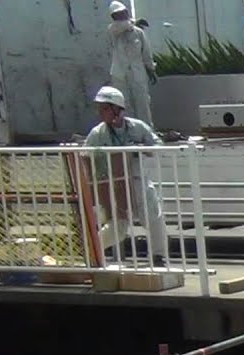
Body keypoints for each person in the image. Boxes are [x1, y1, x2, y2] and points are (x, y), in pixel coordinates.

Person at [83, 85, 169, 265]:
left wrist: (141, 148)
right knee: (117, 226)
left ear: (117, 109)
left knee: (153, 216)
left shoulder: (138, 127)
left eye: (105, 108)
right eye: (99, 109)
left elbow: (157, 146)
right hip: (114, 184)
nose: (100, 113)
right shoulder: (97, 133)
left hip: (137, 180)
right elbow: (85, 156)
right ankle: (91, 253)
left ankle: (158, 256)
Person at [108, 1, 157, 127]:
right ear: (113, 17)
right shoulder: (113, 31)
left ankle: (146, 130)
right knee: (124, 105)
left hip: (137, 73)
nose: (121, 15)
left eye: (123, 12)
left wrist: (151, 69)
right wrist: (134, 22)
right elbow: (121, 27)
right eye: (118, 14)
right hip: (120, 75)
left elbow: (146, 53)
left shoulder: (138, 33)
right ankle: (127, 131)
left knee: (143, 104)